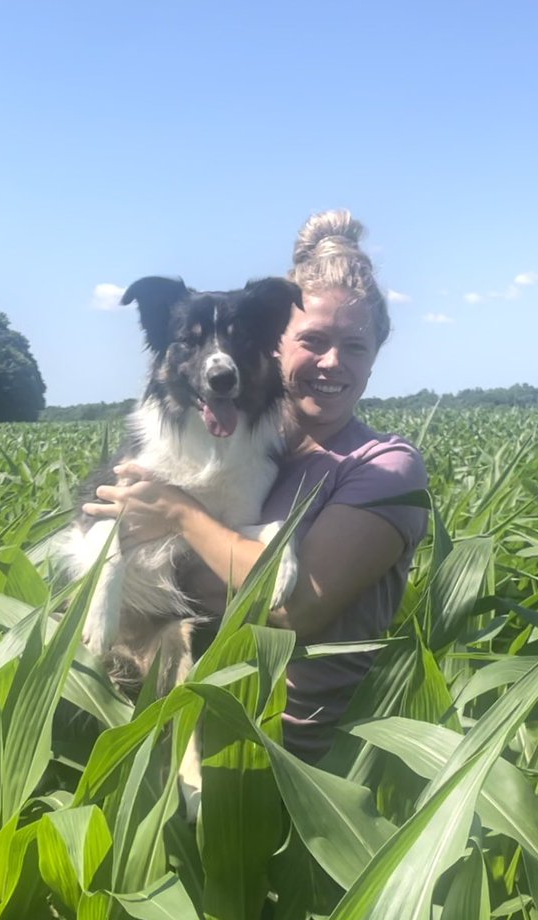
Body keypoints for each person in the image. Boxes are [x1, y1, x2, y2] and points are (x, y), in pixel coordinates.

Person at [83, 210, 429, 762]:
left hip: (294, 740)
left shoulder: (384, 467)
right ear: (279, 344)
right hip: (191, 703)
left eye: (356, 346)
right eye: (313, 340)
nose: (331, 362)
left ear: (377, 353)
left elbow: (291, 608)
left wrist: (174, 515)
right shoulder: (248, 446)